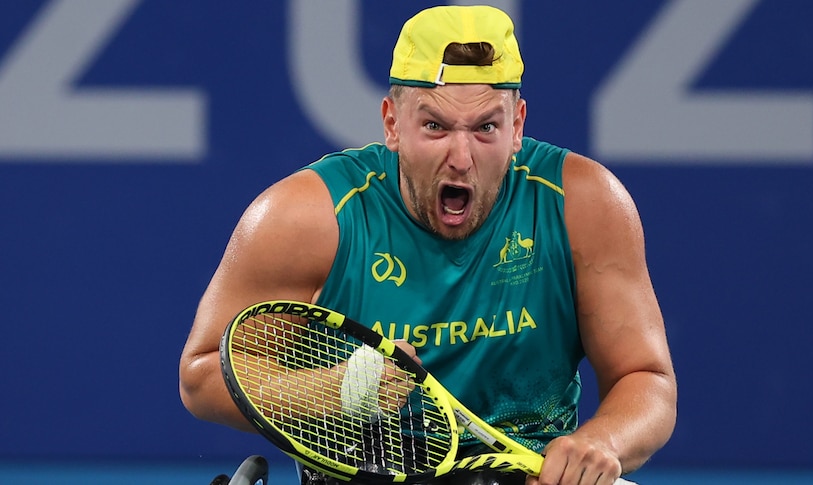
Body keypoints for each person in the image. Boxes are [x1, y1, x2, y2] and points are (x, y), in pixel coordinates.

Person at [180, 5, 676, 485]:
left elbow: (646, 378)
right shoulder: (309, 217)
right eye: (435, 126)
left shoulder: (582, 205)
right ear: (393, 123)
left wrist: (602, 442)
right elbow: (202, 375)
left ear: (518, 125)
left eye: (486, 127)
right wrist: (337, 393)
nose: (460, 158)